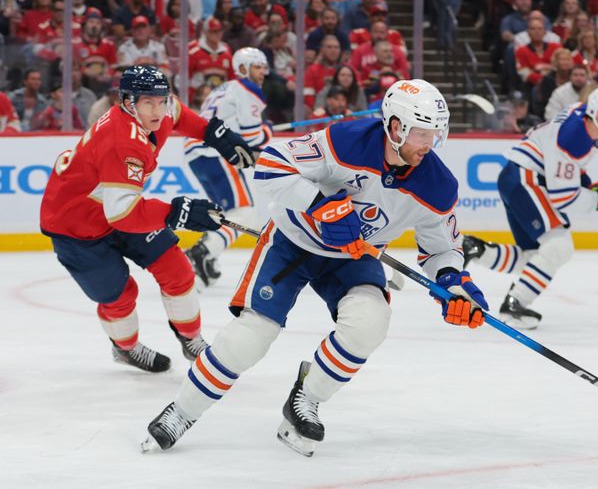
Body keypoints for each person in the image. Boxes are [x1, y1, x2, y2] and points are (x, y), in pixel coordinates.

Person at [141, 79, 488, 455]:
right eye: (422, 133)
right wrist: (321, 202)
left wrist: (454, 284)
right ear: (395, 127)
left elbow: (443, 250)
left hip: (355, 258)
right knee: (250, 337)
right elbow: (271, 165)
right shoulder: (346, 141)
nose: (429, 144)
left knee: (369, 325)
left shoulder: (438, 184)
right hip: (293, 242)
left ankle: (305, 398)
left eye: (435, 133)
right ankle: (182, 411)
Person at [39, 65, 256, 373]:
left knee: (178, 271)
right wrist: (177, 212)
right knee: (119, 296)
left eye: (161, 100)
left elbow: (179, 114)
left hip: (115, 206)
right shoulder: (121, 140)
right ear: (128, 103)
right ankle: (125, 348)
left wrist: (214, 134)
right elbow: (124, 214)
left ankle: (191, 339)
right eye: (148, 103)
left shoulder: (160, 111)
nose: (158, 110)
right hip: (77, 227)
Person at [462, 88, 598, 329]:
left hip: (516, 177)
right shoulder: (575, 138)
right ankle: (515, 303)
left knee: (536, 256)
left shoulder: (584, 120)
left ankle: (475, 249)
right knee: (559, 246)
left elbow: (565, 169)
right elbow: (564, 197)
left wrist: (588, 185)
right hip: (525, 179)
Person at [184, 48, 272, 289]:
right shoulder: (248, 90)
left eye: (264, 66)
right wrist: (267, 130)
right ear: (243, 68)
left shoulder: (223, 88)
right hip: (215, 152)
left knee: (227, 211)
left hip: (196, 152)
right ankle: (202, 251)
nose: (262, 72)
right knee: (245, 214)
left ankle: (208, 255)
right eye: (257, 66)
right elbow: (253, 139)